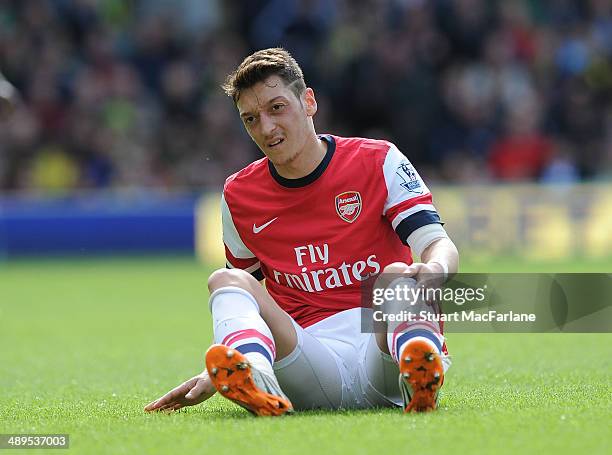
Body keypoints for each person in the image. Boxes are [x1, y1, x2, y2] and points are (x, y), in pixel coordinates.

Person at [145, 48, 459, 416]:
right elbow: (245, 304)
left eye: (277, 108)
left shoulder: (378, 160)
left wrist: (435, 270)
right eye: (250, 119)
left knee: (397, 277)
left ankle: (418, 370)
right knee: (225, 280)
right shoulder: (239, 195)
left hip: (382, 349)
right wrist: (215, 370)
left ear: (308, 101)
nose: (266, 128)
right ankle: (254, 377)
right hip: (310, 361)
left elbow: (437, 243)